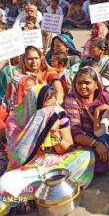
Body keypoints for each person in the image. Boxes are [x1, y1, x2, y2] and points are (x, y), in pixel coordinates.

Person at [0, 85, 94, 214]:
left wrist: (54, 133)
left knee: (87, 157)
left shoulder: (58, 115)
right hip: (28, 168)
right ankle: (34, 193)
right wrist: (37, 126)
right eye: (46, 106)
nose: (53, 108)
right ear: (34, 103)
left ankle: (43, 190)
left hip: (53, 163)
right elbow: (16, 157)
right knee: (4, 183)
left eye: (54, 101)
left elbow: (66, 148)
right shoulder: (15, 121)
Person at [64, 67, 109, 174]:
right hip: (84, 141)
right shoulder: (72, 101)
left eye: (87, 83)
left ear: (97, 85)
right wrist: (96, 144)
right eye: (79, 83)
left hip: (105, 136)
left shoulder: (105, 98)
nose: (83, 86)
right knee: (89, 156)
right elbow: (76, 133)